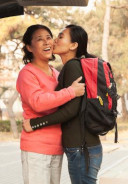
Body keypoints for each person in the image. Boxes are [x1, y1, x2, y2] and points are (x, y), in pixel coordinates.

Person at [23, 24, 102, 184]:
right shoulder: (28, 73)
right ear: (29, 47)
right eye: (40, 39)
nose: (49, 42)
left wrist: (36, 123)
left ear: (73, 45)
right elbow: (38, 102)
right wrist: (70, 92)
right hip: (39, 147)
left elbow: (71, 109)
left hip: (68, 147)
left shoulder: (63, 70)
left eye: (50, 37)